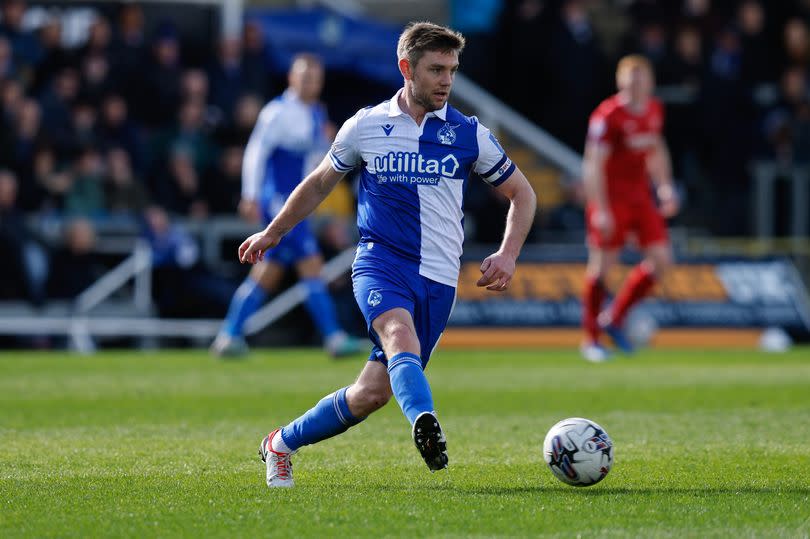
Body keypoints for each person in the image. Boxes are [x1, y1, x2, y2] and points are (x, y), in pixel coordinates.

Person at [238, 22, 536, 487]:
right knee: (398, 331)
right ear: (406, 69)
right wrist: (274, 231)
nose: (446, 80)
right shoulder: (366, 126)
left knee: (370, 394)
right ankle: (424, 421)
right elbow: (320, 181)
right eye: (436, 69)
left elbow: (523, 194)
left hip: (439, 279)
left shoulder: (468, 133)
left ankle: (279, 443)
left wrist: (508, 253)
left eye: (452, 70)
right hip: (380, 263)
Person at [210, 53, 363, 358]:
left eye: (315, 78)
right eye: (304, 77)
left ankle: (229, 334)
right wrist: (250, 195)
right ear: (292, 78)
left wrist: (327, 142)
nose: (310, 83)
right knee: (309, 266)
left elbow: (315, 161)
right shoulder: (277, 112)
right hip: (279, 200)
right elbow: (256, 152)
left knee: (272, 272)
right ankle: (333, 337)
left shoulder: (316, 114)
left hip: (297, 202)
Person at [581, 55, 678, 362]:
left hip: (640, 197)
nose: (636, 84)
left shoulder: (653, 109)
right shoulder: (608, 115)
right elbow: (594, 163)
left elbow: (656, 148)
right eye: (630, 78)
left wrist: (664, 185)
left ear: (650, 81)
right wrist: (601, 208)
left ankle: (614, 318)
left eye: (641, 77)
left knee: (662, 260)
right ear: (620, 81)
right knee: (603, 267)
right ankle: (591, 339)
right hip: (612, 197)